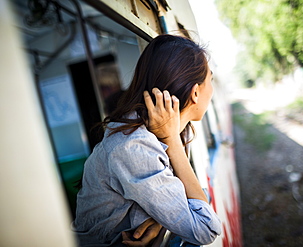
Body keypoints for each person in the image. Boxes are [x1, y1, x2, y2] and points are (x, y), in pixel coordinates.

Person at [73, 34, 221, 247]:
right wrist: (172, 141)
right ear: (195, 92)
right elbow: (206, 228)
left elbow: (193, 203)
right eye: (211, 80)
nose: (212, 90)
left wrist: (160, 220)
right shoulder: (133, 146)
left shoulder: (179, 130)